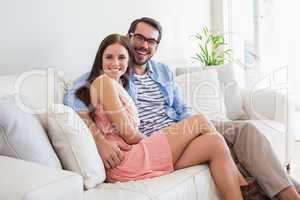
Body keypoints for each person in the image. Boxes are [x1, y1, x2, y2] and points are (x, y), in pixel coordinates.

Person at [64, 17, 300, 200]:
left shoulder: (163, 72)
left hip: (176, 129)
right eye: (140, 38)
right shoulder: (112, 75)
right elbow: (74, 101)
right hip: (149, 140)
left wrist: (194, 128)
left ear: (156, 46)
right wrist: (100, 141)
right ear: (129, 37)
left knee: (242, 132)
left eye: (152, 41)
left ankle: (289, 191)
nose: (144, 45)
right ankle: (256, 188)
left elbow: (182, 107)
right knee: (206, 129)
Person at [75, 33, 250, 200]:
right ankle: (245, 185)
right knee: (199, 121)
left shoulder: (119, 84)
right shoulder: (103, 82)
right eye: (109, 57)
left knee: (215, 143)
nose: (115, 63)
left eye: (121, 57)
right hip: (125, 160)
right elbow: (128, 134)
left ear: (128, 60)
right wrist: (155, 140)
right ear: (100, 59)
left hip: (131, 156)